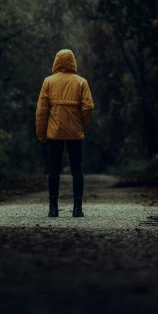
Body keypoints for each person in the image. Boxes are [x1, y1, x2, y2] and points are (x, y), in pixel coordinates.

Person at [35, 48, 95, 218]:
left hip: (54, 132)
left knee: (54, 171)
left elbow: (41, 111)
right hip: (75, 132)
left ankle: (53, 208)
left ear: (56, 62)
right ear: (73, 62)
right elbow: (88, 107)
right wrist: (81, 123)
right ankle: (77, 208)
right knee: (77, 170)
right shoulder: (81, 82)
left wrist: (41, 134)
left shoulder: (48, 82)